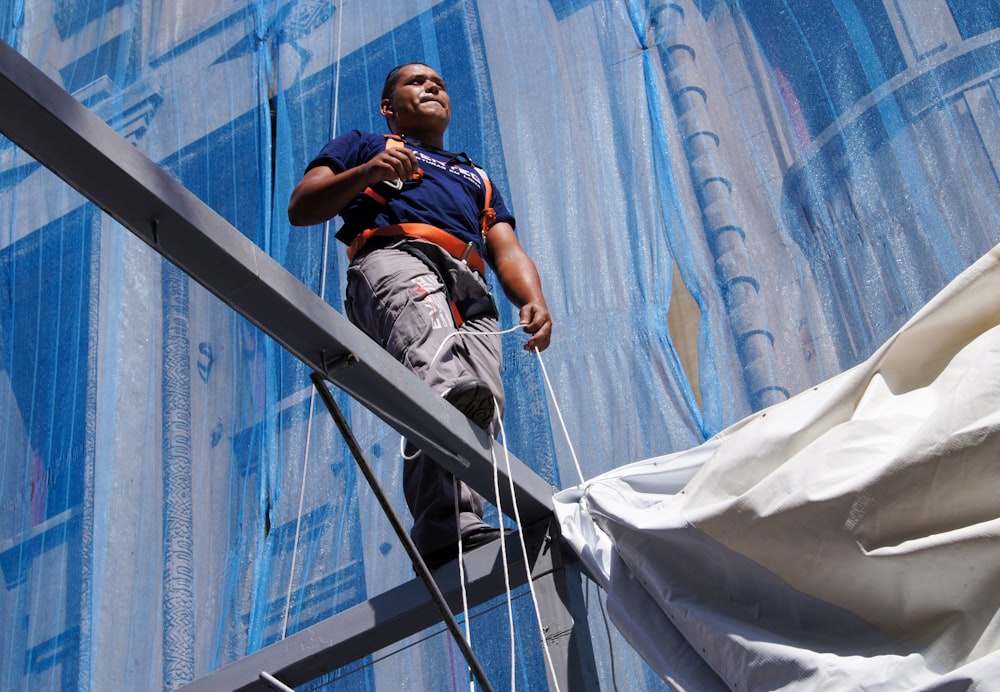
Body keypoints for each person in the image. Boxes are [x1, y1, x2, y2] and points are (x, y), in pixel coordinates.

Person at [288, 63, 552, 569]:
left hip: (469, 284)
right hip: (397, 255)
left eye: (440, 82)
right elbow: (302, 207)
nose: (433, 86)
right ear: (390, 108)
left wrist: (531, 296)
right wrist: (369, 172)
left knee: (480, 402)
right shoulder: (364, 143)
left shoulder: (476, 176)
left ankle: (445, 527)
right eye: (417, 82)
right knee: (439, 370)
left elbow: (506, 247)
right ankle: (444, 519)